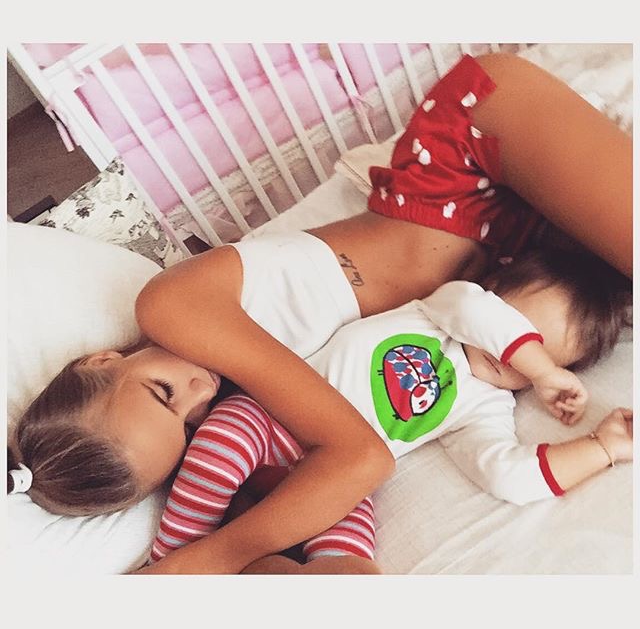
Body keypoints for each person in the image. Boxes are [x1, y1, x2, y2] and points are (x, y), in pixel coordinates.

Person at [7, 51, 632, 574]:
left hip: (464, 167)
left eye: (162, 391)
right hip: (524, 262)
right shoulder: (232, 419)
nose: (200, 392)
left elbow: (362, 457)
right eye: (189, 425)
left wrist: (195, 563)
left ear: (101, 360)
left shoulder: (170, 308)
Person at [144, 247, 632, 574]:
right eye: (521, 334)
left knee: (354, 568)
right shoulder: (441, 309)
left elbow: (506, 473)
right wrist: (543, 370)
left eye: (545, 357)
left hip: (337, 482)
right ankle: (174, 559)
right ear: (493, 288)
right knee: (223, 440)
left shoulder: (485, 406)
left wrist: (603, 447)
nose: (514, 359)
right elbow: (477, 313)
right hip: (271, 420)